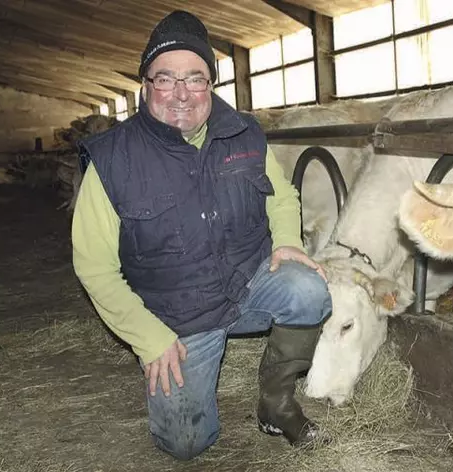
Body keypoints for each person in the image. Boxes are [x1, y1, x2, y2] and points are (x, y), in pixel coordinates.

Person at [71, 10, 332, 461]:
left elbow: (281, 195)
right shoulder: (113, 160)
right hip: (178, 313)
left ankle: (277, 404)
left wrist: (288, 239)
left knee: (308, 289)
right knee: (187, 445)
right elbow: (93, 266)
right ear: (146, 85)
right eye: (166, 79)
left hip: (243, 284)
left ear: (210, 84)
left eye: (195, 79)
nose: (181, 94)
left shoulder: (243, 132)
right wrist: (149, 338)